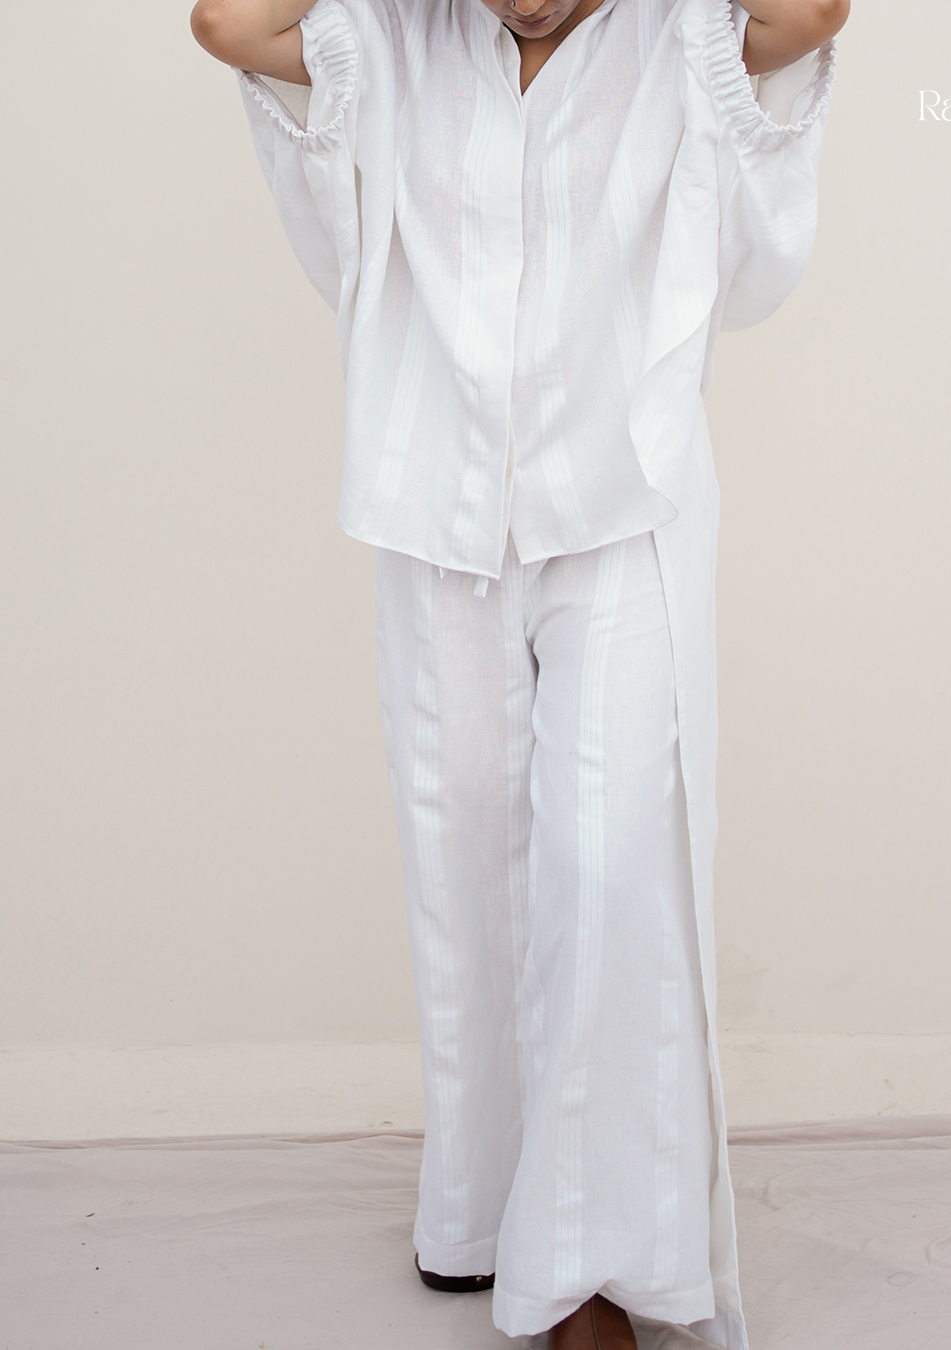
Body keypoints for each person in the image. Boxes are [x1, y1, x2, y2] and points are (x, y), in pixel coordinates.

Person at [190, 0, 848, 1344]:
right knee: (467, 871)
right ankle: (489, 1215)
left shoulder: (680, 35)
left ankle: (593, 1269)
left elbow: (811, 13)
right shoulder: (392, 39)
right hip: (437, 511)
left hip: (625, 506)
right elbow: (226, 21)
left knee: (610, 874)